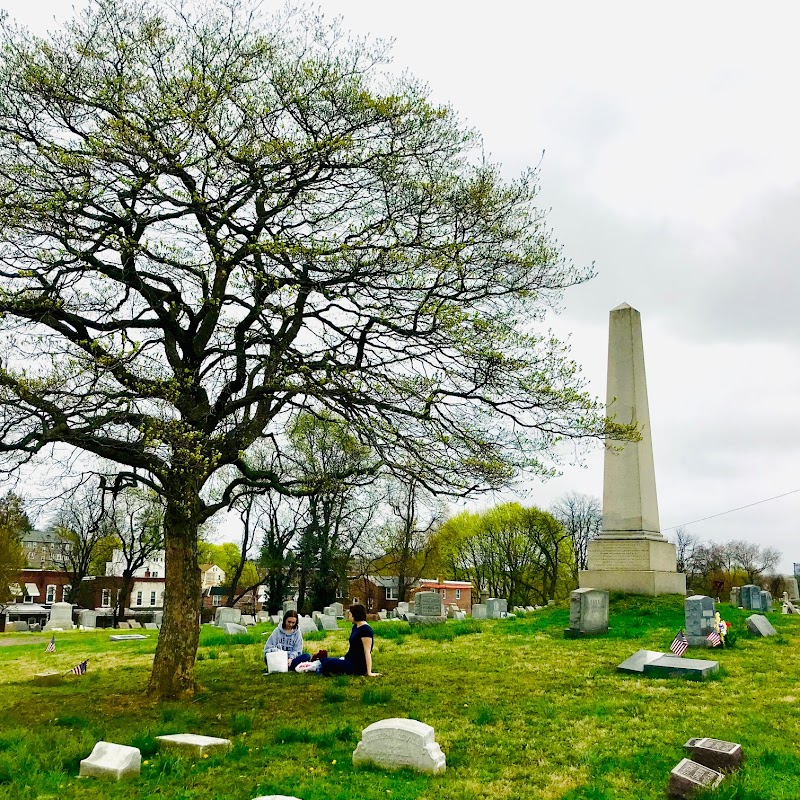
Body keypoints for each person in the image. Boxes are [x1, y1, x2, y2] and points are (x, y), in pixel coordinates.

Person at [306, 603, 380, 677]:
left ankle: (318, 669)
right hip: (349, 659)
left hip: (357, 666)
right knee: (324, 659)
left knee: (329, 663)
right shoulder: (355, 626)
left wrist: (369, 672)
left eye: (350, 614)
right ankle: (311, 666)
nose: (349, 616)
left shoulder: (365, 630)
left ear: (355, 615)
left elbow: (367, 652)